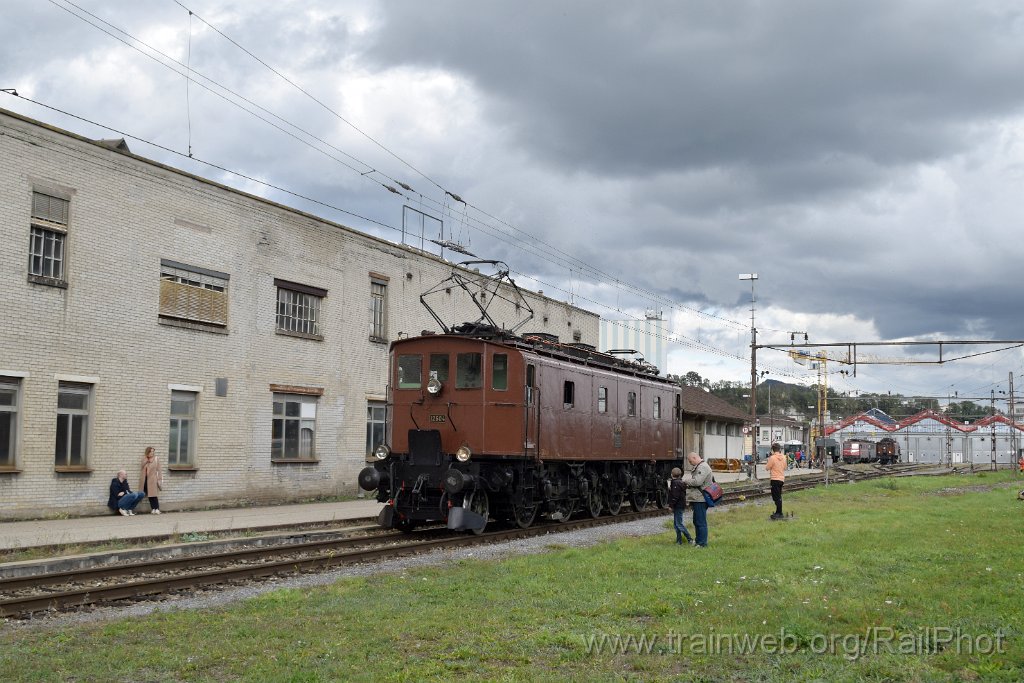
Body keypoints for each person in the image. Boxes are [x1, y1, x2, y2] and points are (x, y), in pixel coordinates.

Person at [680, 452, 713, 547]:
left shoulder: (702, 467)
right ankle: (698, 541)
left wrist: (685, 481)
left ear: (695, 458)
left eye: (690, 461)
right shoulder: (701, 466)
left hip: (701, 499)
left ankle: (702, 543)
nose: (690, 463)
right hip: (698, 498)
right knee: (697, 521)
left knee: (700, 522)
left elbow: (697, 481)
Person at [667, 467, 694, 545]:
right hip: (680, 505)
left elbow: (675, 496)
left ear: (672, 475)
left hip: (678, 505)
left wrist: (671, 506)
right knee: (676, 524)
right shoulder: (680, 482)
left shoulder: (675, 483)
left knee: (678, 524)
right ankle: (679, 541)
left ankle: (690, 539)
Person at [139, 446, 164, 514]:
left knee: (154, 494)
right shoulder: (144, 459)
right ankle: (153, 508)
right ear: (148, 452)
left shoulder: (156, 459)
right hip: (146, 479)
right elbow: (142, 467)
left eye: (153, 451)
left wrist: (159, 478)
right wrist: (147, 461)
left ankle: (157, 509)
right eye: (151, 451)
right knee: (149, 495)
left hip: (153, 479)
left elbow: (159, 469)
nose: (152, 453)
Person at [766, 443, 786, 520]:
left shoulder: (772, 458)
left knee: (776, 497)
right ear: (779, 449)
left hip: (774, 479)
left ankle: (779, 513)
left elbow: (767, 468)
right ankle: (778, 512)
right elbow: (785, 467)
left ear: (773, 450)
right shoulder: (784, 457)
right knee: (779, 496)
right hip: (781, 479)